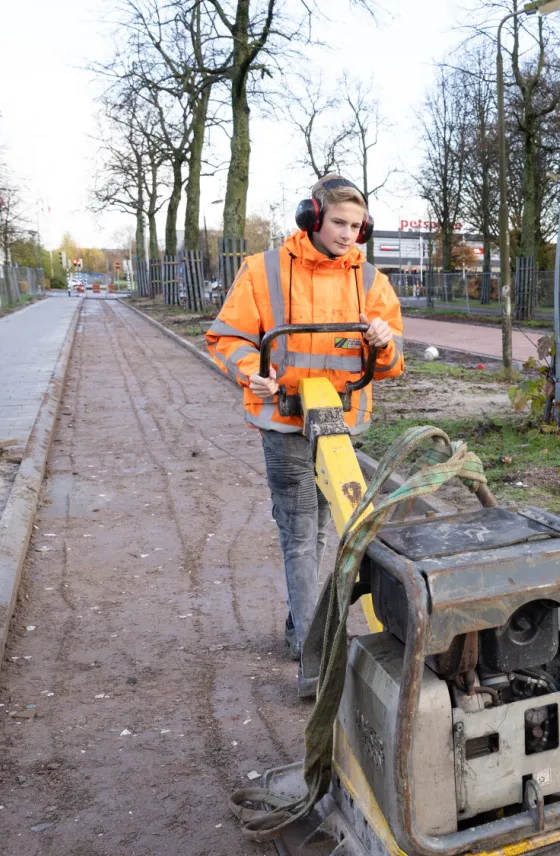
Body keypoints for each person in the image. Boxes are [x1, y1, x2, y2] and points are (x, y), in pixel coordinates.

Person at [205, 174, 404, 677]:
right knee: (300, 532)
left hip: (340, 423)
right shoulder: (262, 271)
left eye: (357, 226)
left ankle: (302, 623)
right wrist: (254, 374)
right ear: (311, 216)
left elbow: (390, 363)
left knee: (328, 527)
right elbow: (227, 337)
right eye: (338, 222)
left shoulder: (371, 281)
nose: (347, 234)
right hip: (284, 421)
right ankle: (310, 647)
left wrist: (383, 343)